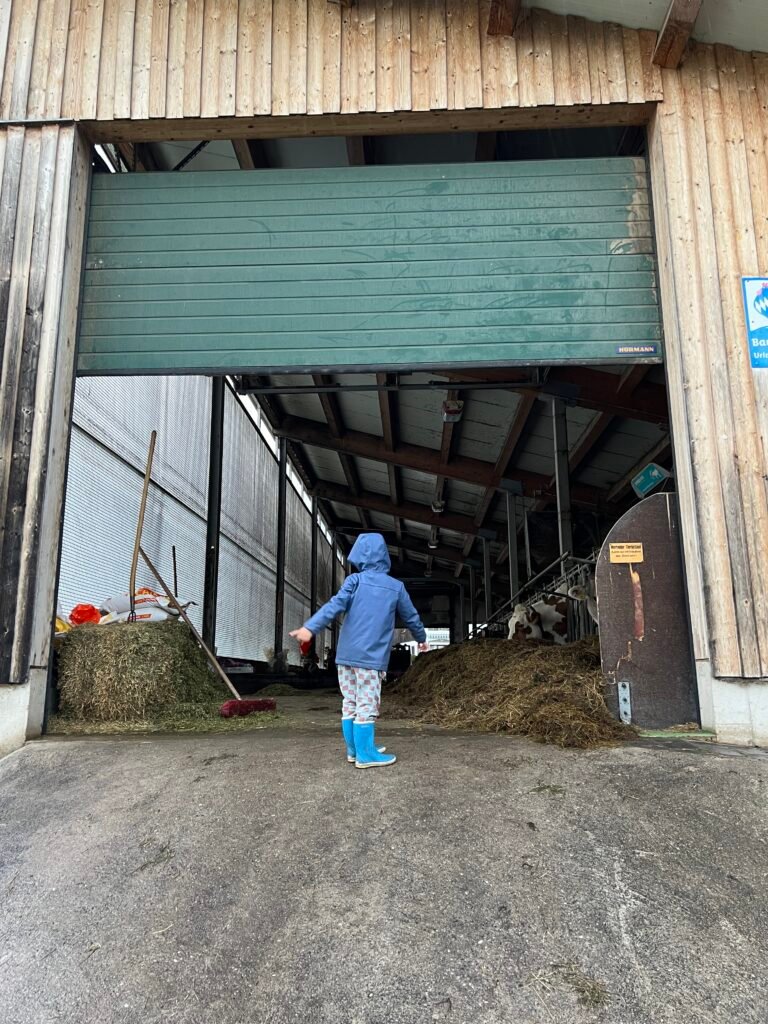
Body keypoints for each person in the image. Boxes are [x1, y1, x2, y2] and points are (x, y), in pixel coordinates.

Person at [290, 533, 428, 769]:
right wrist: (422, 638)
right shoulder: (396, 587)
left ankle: (355, 750)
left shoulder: (354, 581)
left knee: (350, 701)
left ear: (360, 556)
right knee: (367, 703)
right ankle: (366, 755)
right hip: (371, 659)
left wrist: (309, 628)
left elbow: (334, 605)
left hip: (345, 657)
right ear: (384, 557)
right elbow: (411, 617)